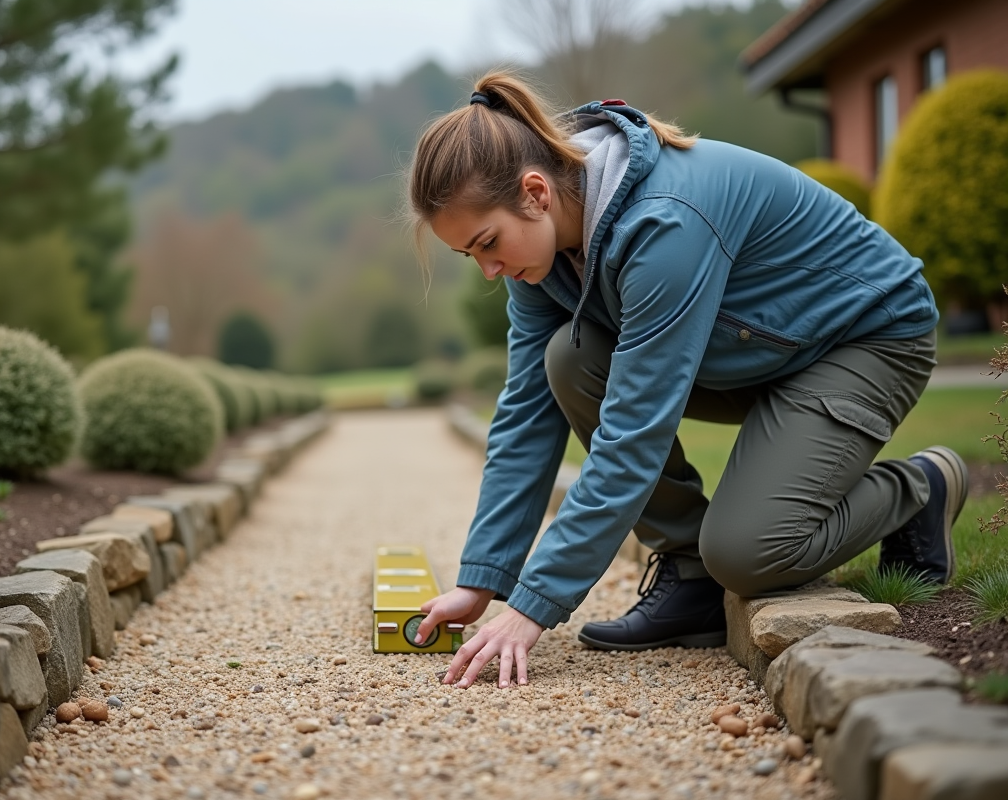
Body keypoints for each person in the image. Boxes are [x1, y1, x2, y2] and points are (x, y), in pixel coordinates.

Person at [407, 70, 967, 690]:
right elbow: (524, 414)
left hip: (866, 338)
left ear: (535, 192)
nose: (489, 269)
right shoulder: (540, 262)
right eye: (470, 256)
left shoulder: (663, 224)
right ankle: (689, 575)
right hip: (753, 350)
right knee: (566, 360)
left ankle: (920, 487)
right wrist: (482, 578)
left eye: (488, 243)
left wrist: (530, 608)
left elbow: (632, 437)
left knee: (748, 554)